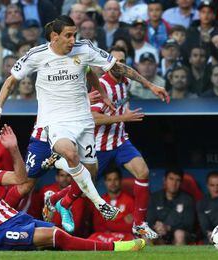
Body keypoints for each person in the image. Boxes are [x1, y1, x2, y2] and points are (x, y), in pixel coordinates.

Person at [0, 15, 169, 234]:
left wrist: (149, 85)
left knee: (89, 173)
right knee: (27, 182)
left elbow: (103, 70)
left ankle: (61, 200)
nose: (73, 40)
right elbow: (10, 81)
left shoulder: (84, 50)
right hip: (51, 124)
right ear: (54, 36)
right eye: (68, 35)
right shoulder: (37, 55)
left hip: (82, 122)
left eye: (75, 35)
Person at [0, 125, 146, 251]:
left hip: (16, 218)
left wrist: (13, 149)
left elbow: (21, 178)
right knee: (57, 236)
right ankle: (117, 249)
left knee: (56, 236)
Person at [89, 46, 158, 238]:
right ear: (106, 65)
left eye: (122, 61)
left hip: (119, 142)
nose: (119, 65)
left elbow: (133, 74)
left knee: (143, 172)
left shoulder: (125, 81)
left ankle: (139, 224)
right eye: (115, 61)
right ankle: (59, 202)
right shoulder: (101, 85)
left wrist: (151, 86)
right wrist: (123, 118)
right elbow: (93, 117)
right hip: (99, 146)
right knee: (82, 186)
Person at [147, 169, 195, 245]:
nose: (174, 183)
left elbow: (189, 224)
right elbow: (149, 220)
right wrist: (157, 227)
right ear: (165, 180)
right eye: (171, 179)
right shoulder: (154, 197)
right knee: (147, 235)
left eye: (177, 180)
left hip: (178, 235)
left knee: (179, 234)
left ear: (181, 183)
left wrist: (168, 227)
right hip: (159, 235)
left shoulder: (187, 199)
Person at [88, 167, 135, 243]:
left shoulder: (130, 201)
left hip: (124, 236)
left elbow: (131, 227)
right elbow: (97, 226)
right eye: (109, 180)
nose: (113, 183)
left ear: (120, 181)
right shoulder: (100, 201)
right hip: (104, 236)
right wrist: (122, 220)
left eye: (115, 179)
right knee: (91, 239)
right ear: (105, 182)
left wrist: (108, 223)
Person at [40, 169, 87, 237]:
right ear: (57, 177)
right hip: (50, 233)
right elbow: (38, 211)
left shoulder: (81, 196)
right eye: (62, 175)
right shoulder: (46, 190)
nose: (65, 179)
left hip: (73, 235)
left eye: (68, 175)